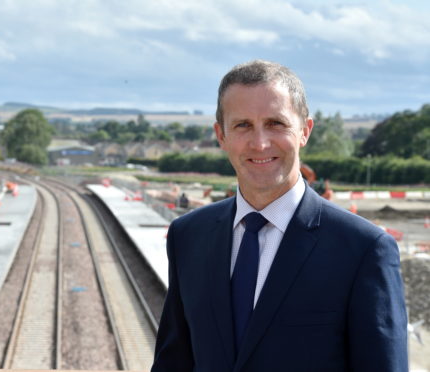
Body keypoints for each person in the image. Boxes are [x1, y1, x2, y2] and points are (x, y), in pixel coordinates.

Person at [151, 60, 407, 372]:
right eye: (243, 125)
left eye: (276, 123)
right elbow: (173, 362)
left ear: (304, 131)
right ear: (221, 135)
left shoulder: (364, 249)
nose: (259, 143)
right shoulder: (187, 236)